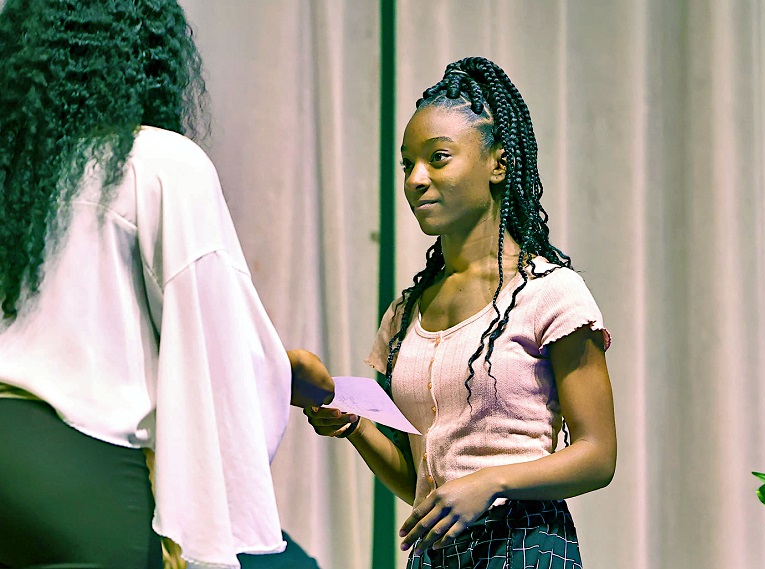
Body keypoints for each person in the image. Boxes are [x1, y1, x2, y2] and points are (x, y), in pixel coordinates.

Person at [0, 1, 334, 568]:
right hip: (82, 473)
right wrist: (286, 372)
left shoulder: (16, 174)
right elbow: (217, 356)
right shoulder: (157, 161)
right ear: (149, 51)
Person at [306, 56, 617, 568]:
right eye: (408, 164)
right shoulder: (405, 313)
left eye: (439, 158)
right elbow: (423, 485)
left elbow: (598, 455)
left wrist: (491, 480)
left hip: (525, 544)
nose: (416, 179)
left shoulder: (552, 294)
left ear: (498, 163)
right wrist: (355, 425)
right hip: (436, 555)